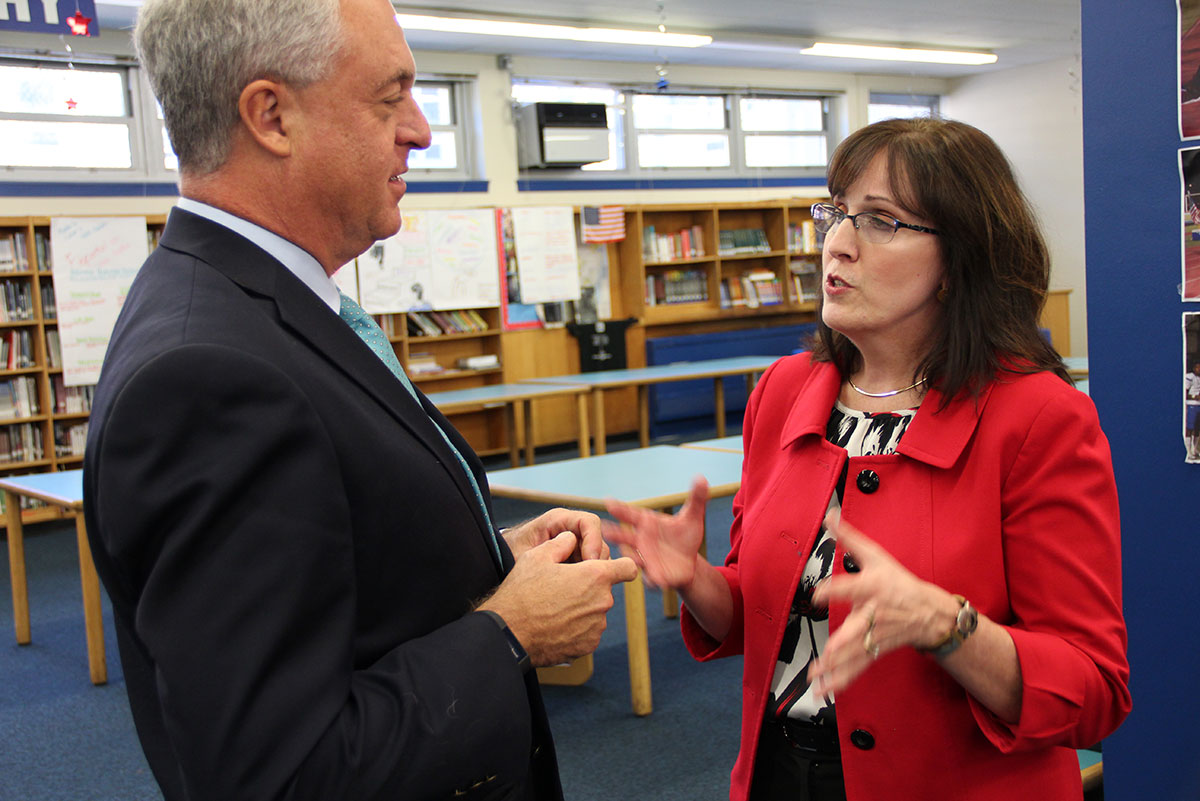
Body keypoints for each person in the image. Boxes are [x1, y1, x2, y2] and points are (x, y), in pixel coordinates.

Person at [81, 1, 637, 799]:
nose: (420, 130)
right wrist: (510, 630)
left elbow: (325, 550)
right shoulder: (210, 375)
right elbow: (278, 773)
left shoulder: (261, 303)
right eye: (390, 97)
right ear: (271, 116)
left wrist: (485, 556)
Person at [605, 117, 1130, 801]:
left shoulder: (1037, 418)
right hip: (778, 774)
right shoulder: (785, 392)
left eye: (881, 221)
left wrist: (948, 624)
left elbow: (1093, 689)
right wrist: (699, 580)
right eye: (837, 211)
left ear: (960, 258)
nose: (838, 244)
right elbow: (773, 612)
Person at [1186, 360, 1200, 462]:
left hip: (1199, 405)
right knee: (1189, 428)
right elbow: (1184, 392)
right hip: (1192, 405)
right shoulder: (1190, 376)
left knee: (1197, 429)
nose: (1198, 369)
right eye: (1197, 367)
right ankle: (1188, 451)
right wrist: (1195, 397)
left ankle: (1194, 451)